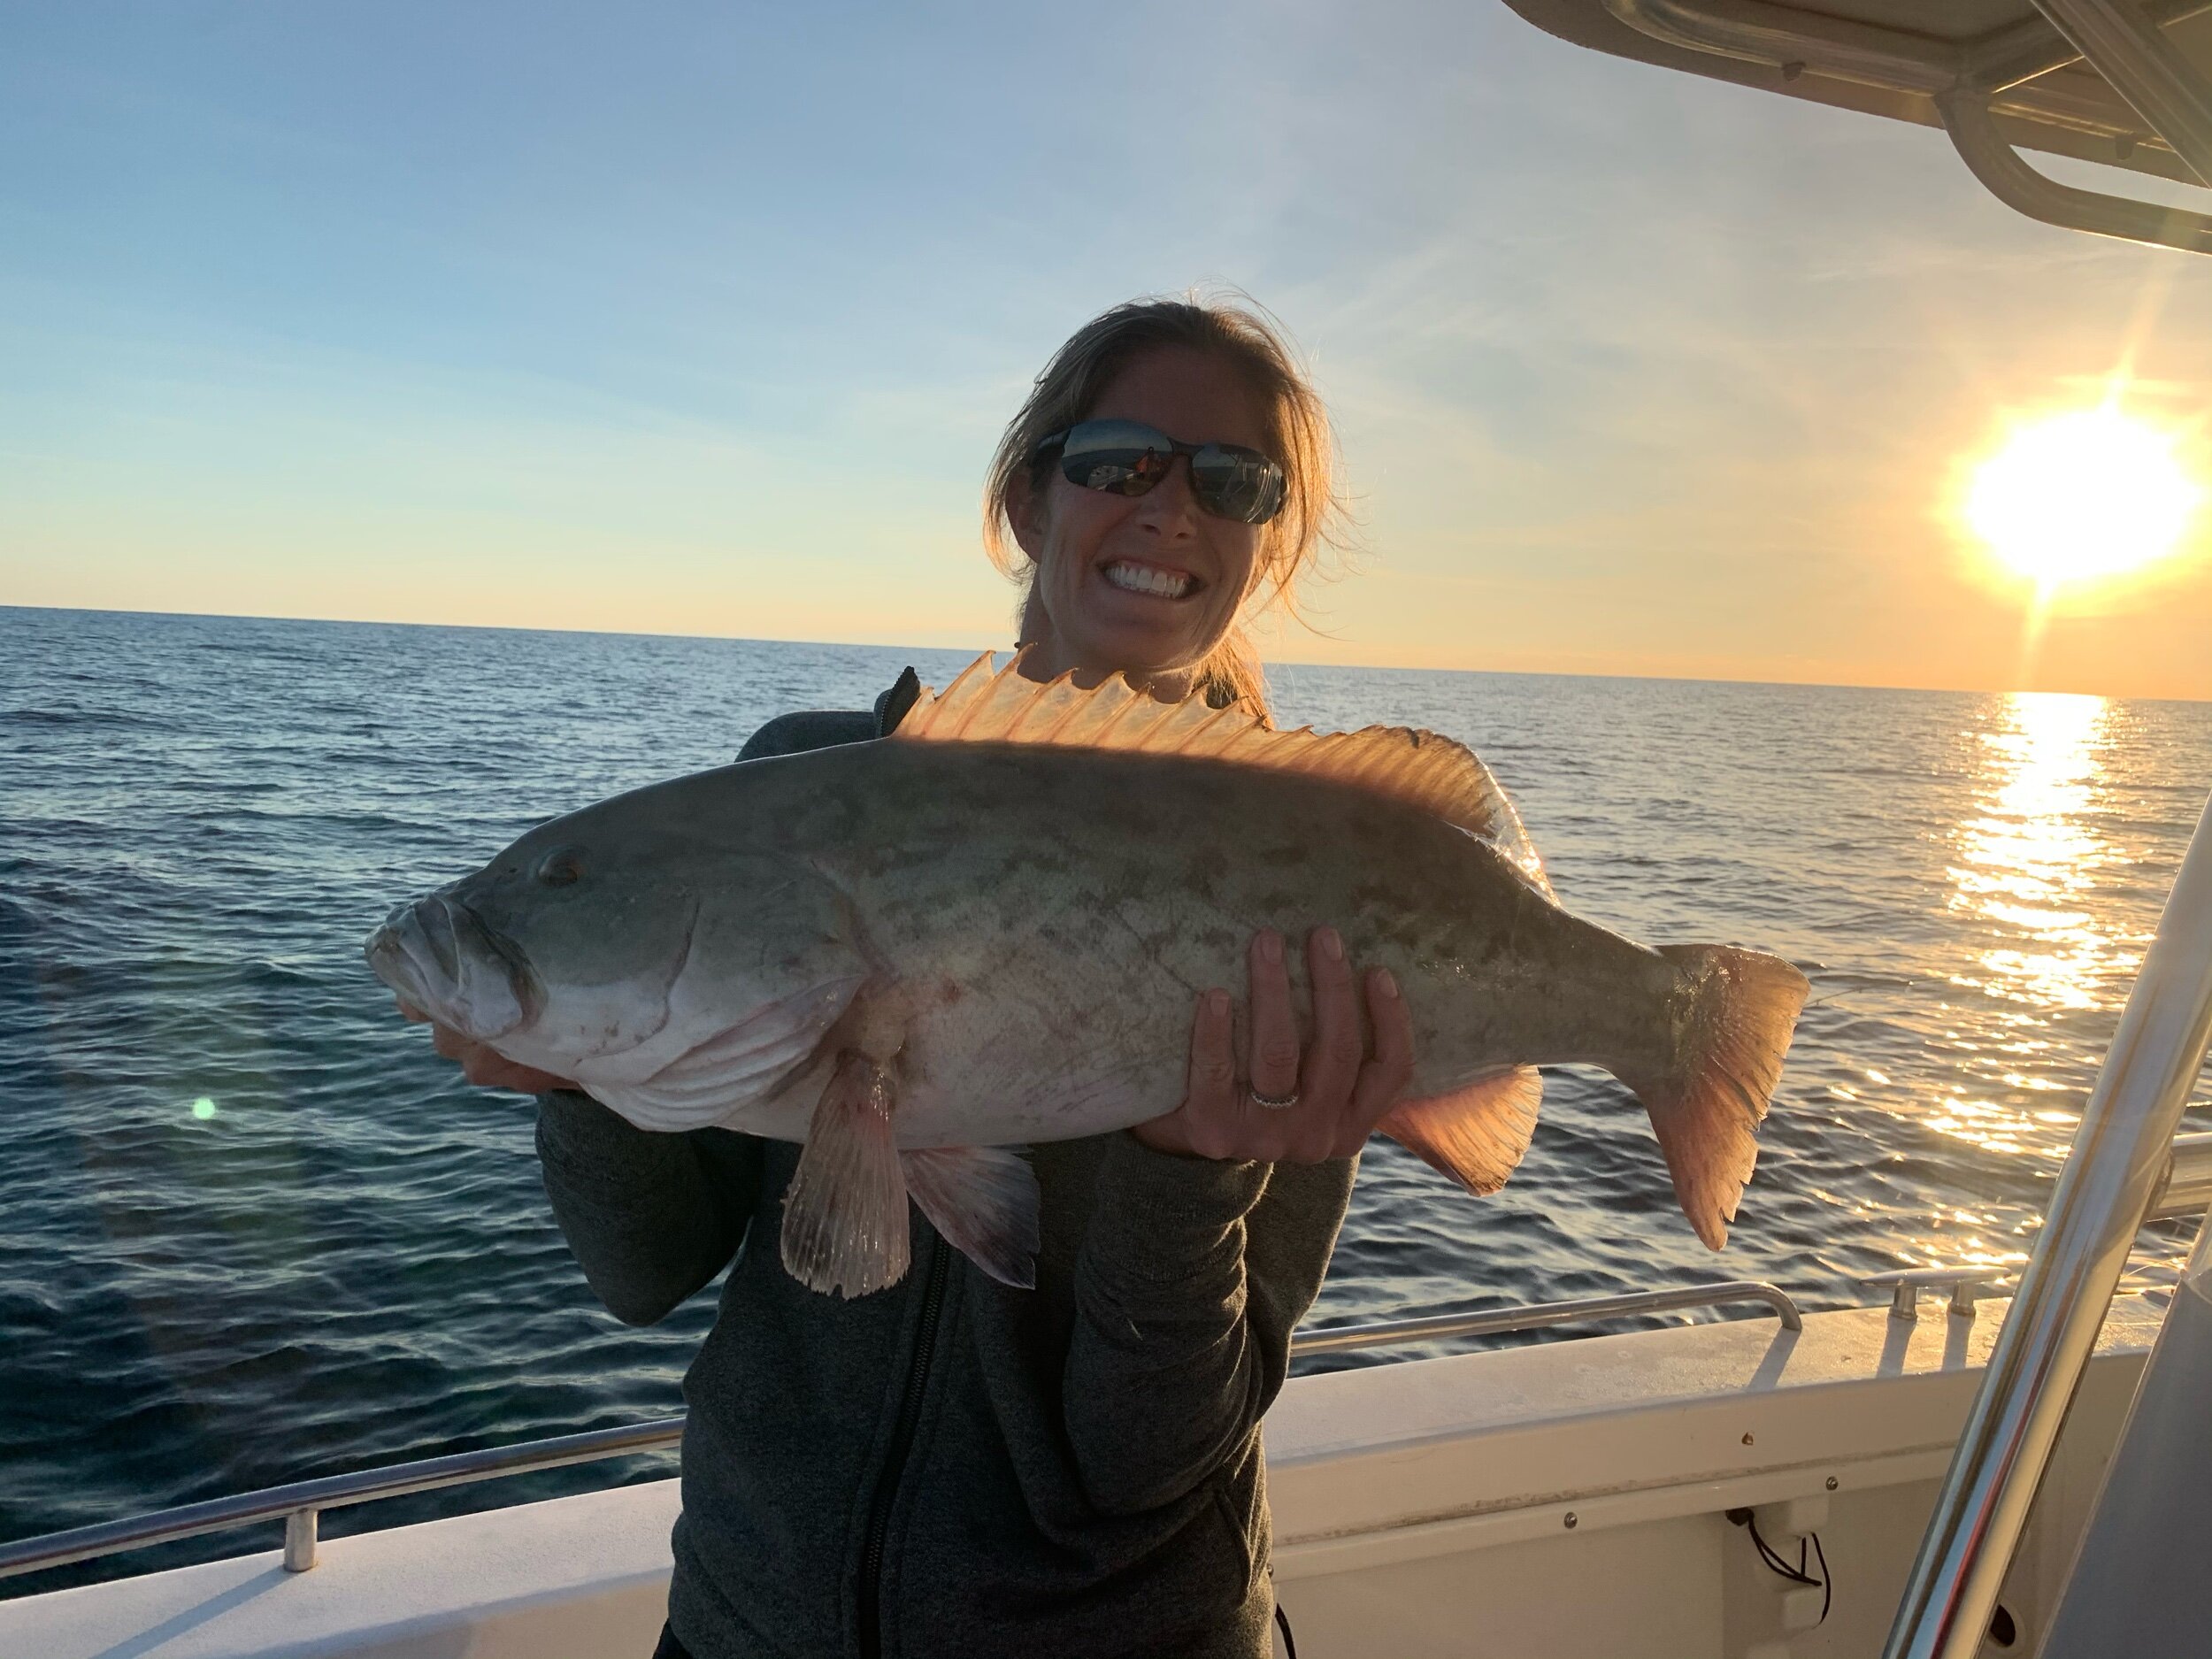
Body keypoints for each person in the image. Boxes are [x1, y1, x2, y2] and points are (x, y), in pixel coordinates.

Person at [406, 296, 1419, 1658]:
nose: (1171, 508)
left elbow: (1146, 1465)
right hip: (742, 1623)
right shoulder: (800, 777)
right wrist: (580, 1075)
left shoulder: (1300, 875)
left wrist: (1191, 1178)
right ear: (1026, 495)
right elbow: (642, 1273)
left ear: (1262, 542)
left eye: (1234, 481)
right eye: (1119, 460)